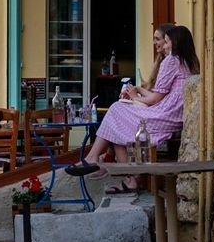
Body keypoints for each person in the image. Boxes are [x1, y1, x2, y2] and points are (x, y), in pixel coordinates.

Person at [66, 24, 200, 192]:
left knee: (116, 109)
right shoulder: (189, 62)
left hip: (163, 117)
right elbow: (163, 96)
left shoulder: (171, 61)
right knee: (117, 121)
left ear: (175, 43)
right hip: (174, 118)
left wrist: (134, 97)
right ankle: (128, 177)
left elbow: (155, 99)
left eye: (166, 42)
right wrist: (137, 92)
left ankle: (102, 161)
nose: (163, 46)